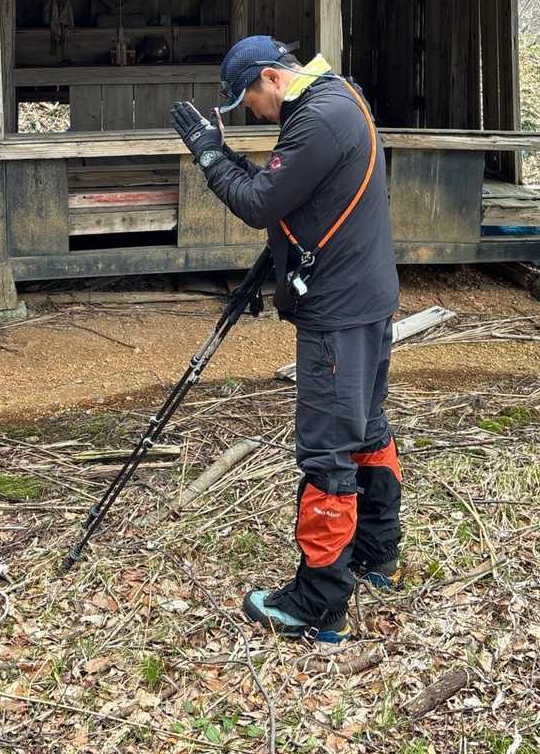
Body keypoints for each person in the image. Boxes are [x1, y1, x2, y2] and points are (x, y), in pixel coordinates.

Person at [170, 35, 401, 645]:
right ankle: (376, 553)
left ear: (271, 77)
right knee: (366, 429)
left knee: (327, 452)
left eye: (248, 99)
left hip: (338, 309)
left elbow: (259, 203)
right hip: (366, 296)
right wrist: (229, 159)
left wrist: (210, 156)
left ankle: (319, 603)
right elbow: (292, 196)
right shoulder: (339, 97)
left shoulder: (317, 119)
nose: (250, 112)